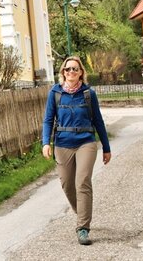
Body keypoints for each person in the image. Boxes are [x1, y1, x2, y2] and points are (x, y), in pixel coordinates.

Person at [42, 56, 112, 245]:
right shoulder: (55, 93)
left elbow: (98, 121)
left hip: (85, 142)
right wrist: (46, 143)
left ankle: (83, 228)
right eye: (68, 69)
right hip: (62, 144)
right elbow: (48, 120)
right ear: (63, 72)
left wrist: (106, 147)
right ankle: (82, 212)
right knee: (67, 185)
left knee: (82, 182)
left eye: (75, 69)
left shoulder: (89, 93)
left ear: (81, 72)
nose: (71, 72)